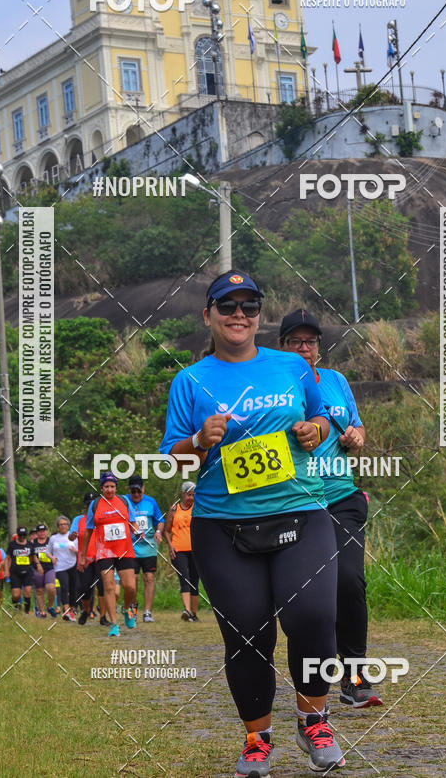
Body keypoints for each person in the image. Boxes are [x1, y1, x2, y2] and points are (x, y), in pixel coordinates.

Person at [161, 270, 345, 776]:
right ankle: (257, 740)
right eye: (227, 306)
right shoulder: (190, 380)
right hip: (223, 527)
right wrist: (198, 441)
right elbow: (172, 462)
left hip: (302, 512)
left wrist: (316, 429)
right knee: (246, 635)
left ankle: (315, 720)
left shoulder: (290, 365)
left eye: (249, 306)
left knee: (312, 618)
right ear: (208, 315)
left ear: (259, 316)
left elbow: (323, 414)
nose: (238, 315)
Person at [279, 308, 381, 708]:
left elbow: (357, 426)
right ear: (282, 346)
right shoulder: (275, 384)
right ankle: (310, 677)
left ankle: (354, 677)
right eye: (295, 341)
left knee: (349, 581)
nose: (304, 347)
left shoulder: (336, 381)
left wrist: (356, 436)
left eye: (311, 341)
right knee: (308, 600)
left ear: (319, 347)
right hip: (294, 501)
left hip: (341, 496)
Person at [79, 471, 142, 638]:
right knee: (108, 587)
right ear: (101, 488)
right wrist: (83, 555)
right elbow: (88, 531)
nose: (109, 490)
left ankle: (127, 608)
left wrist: (137, 531)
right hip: (104, 552)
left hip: (125, 550)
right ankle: (114, 624)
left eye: (112, 486)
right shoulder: (95, 505)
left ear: (116, 487)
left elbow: (132, 521)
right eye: (106, 486)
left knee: (130, 586)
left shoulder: (124, 500)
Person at [125, 475, 164, 623]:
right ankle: (133, 608)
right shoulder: (124, 501)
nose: (136, 494)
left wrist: (159, 532)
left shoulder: (150, 502)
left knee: (149, 578)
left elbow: (160, 521)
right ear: (129, 490)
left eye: (139, 491)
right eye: (133, 491)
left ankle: (147, 611)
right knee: (132, 581)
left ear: (143, 489)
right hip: (131, 548)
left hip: (148, 548)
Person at [164, 482, 199, 621]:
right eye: (188, 495)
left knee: (195, 581)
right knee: (184, 579)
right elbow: (167, 530)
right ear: (183, 494)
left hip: (195, 550)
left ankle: (194, 614)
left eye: (193, 495)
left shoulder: (197, 509)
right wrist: (170, 545)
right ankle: (187, 610)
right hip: (178, 550)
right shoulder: (174, 509)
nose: (191, 498)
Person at [70, 492, 106, 625]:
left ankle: (103, 617)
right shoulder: (78, 519)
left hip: (100, 557)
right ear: (85, 505)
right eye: (88, 504)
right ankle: (86, 610)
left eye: (93, 504)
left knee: (102, 587)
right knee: (85, 589)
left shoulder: (102, 518)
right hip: (84, 560)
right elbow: (71, 536)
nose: (90, 506)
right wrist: (72, 536)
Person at [48, 516, 78, 621]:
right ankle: (66, 610)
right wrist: (52, 558)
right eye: (60, 524)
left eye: (65, 524)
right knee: (64, 587)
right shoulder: (53, 538)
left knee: (73, 588)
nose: (63, 526)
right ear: (58, 526)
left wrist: (76, 551)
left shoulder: (73, 537)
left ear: (68, 525)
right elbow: (48, 552)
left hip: (72, 564)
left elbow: (81, 551)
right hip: (60, 566)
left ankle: (72, 610)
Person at [4, 527, 35, 613]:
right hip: (15, 573)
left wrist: (37, 566)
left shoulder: (29, 544)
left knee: (28, 592)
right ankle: (16, 610)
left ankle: (27, 612)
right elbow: (7, 558)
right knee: (16, 595)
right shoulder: (12, 544)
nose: (22, 537)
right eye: (20, 535)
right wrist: (6, 570)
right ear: (17, 535)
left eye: (24, 535)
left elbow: (32, 557)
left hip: (27, 572)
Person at [31, 524, 57, 618]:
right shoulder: (33, 542)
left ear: (46, 531)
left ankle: (50, 606)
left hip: (50, 567)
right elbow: (32, 555)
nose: (42, 533)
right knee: (39, 590)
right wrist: (38, 565)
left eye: (44, 531)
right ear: (37, 533)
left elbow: (56, 552)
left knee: (51, 588)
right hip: (37, 568)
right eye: (40, 531)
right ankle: (42, 612)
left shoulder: (51, 541)